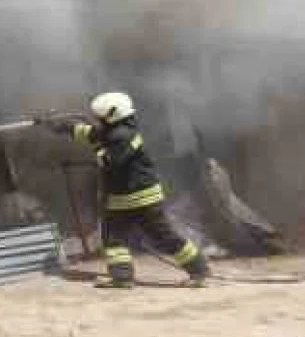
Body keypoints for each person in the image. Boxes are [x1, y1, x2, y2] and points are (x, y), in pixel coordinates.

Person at [40, 92, 209, 287]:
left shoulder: (122, 136)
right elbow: (86, 131)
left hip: (138, 197)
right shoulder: (116, 130)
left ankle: (199, 270)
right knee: (116, 239)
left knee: (162, 236)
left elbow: (109, 161)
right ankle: (122, 278)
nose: (97, 119)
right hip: (125, 198)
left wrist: (96, 144)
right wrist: (57, 126)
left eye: (100, 116)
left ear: (111, 115)